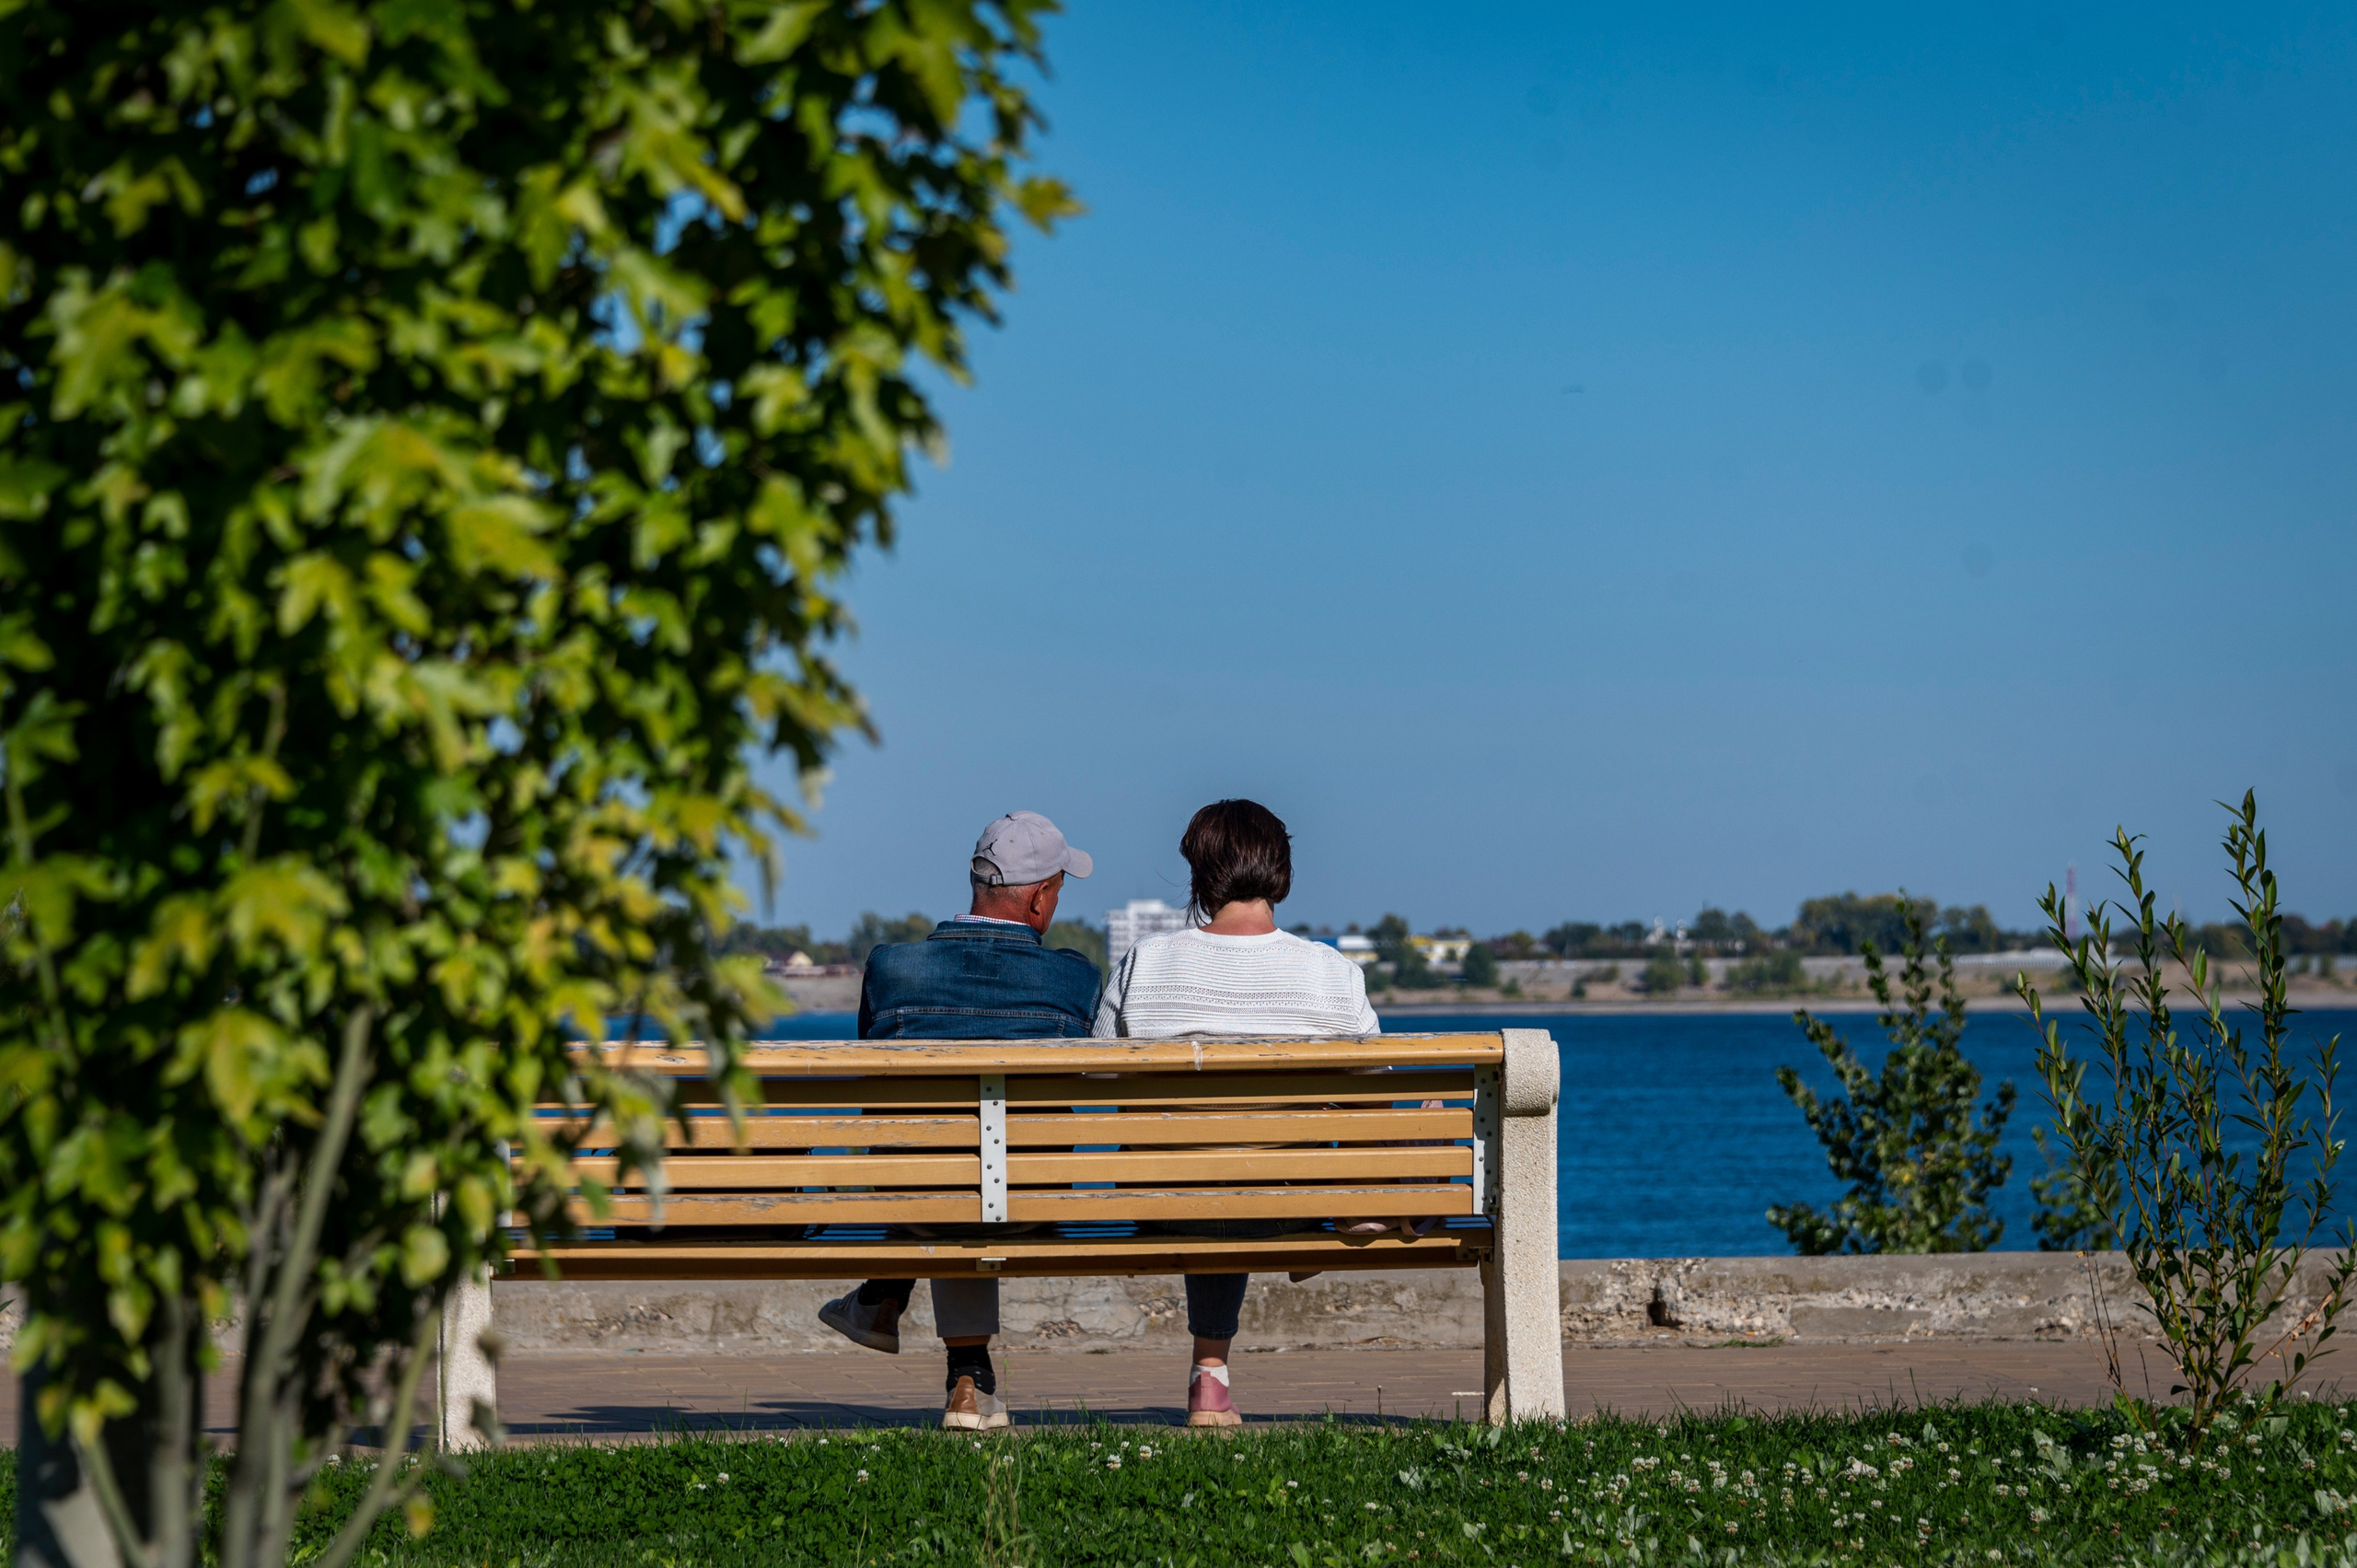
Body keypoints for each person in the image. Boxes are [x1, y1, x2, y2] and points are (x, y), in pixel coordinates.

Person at [1092, 797, 1381, 1429]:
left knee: (1209, 1173)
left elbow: (1094, 1071)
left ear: (1199, 875)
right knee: (1272, 1166)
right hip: (1287, 1204)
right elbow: (1376, 1097)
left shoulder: (1146, 962)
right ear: (1282, 873)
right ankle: (1353, 1212)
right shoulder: (1331, 973)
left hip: (1163, 1201)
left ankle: (1211, 1378)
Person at [816, 810, 1101, 1431]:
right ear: (1039, 899)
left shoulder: (891, 968)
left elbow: (875, 1085)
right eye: (1058, 890)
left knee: (940, 1166)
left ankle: (885, 1299)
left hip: (918, 1191)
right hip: (1034, 1197)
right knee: (981, 1177)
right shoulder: (1072, 977)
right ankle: (963, 1374)